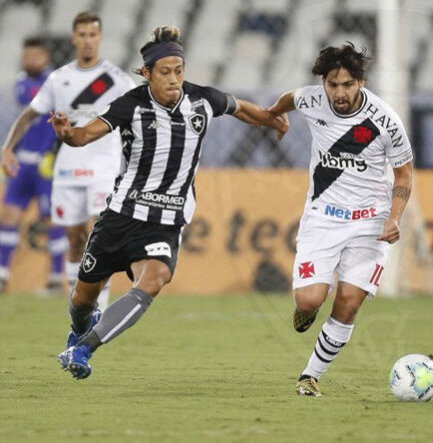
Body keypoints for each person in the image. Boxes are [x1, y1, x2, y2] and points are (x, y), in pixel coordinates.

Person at [54, 25, 288, 380]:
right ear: (147, 73)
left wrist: (271, 119)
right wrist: (68, 134)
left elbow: (241, 108)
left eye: (179, 71)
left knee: (156, 277)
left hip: (165, 221)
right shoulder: (130, 104)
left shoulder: (203, 100)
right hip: (119, 217)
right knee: (82, 300)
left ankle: (85, 348)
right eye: (165, 72)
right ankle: (80, 331)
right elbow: (85, 134)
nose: (174, 79)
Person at [267, 43, 414, 397]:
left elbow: (404, 176)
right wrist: (274, 113)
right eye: (332, 85)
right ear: (324, 83)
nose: (339, 93)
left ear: (360, 81)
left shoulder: (385, 121)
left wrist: (394, 218)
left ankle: (309, 376)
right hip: (323, 217)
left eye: (347, 84)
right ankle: (307, 310)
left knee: (348, 302)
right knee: (308, 301)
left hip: (370, 223)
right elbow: (290, 98)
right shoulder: (313, 100)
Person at [2, 12, 134, 309]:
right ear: (75, 38)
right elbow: (30, 114)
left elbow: (137, 115)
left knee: (97, 234)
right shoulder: (59, 79)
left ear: (100, 38)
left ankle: (98, 303)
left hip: (104, 167)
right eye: (82, 35)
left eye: (93, 35)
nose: (88, 40)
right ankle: (80, 306)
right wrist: (8, 146)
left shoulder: (116, 79)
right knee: (74, 238)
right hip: (67, 167)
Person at [0, 37, 67, 294]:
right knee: (9, 215)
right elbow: (29, 108)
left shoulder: (55, 82)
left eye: (35, 56)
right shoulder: (21, 83)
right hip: (22, 161)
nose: (29, 60)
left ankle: (53, 278)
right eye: (26, 55)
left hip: (45, 163)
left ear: (46, 58)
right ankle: (3, 275)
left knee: (52, 220)